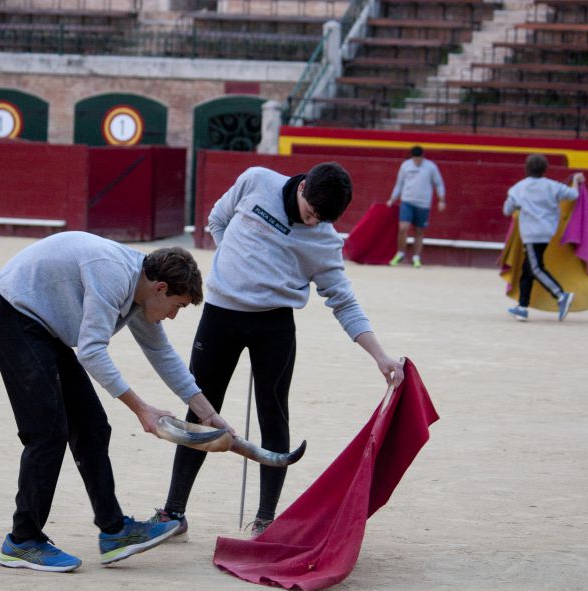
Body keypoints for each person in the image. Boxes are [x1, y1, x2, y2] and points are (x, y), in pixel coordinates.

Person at [148, 162, 405, 540]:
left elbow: (343, 301)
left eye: (324, 219)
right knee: (200, 409)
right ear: (302, 189)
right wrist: (237, 265)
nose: (315, 223)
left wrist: (380, 356)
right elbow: (217, 220)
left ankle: (266, 520)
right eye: (312, 214)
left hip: (274, 326)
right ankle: (174, 513)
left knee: (274, 415)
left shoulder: (325, 239)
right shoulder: (255, 181)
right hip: (221, 315)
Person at [0, 232, 231, 572]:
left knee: (92, 427)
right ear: (160, 288)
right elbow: (91, 350)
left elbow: (161, 353)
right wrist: (142, 409)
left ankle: (114, 532)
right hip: (14, 317)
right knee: (48, 432)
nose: (174, 316)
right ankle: (22, 541)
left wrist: (209, 414)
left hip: (43, 328)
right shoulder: (113, 274)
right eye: (178, 306)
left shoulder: (142, 293)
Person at [502, 154, 584, 322]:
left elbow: (507, 210)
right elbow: (574, 195)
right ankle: (522, 307)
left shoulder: (520, 188)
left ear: (527, 169)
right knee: (528, 269)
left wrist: (517, 205)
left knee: (536, 268)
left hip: (531, 234)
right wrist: (576, 179)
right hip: (547, 233)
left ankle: (561, 295)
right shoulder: (552, 186)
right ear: (545, 169)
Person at [386, 145, 446, 268]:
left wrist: (441, 200)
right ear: (412, 157)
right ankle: (400, 253)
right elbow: (399, 184)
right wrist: (392, 199)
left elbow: (439, 184)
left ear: (422, 157)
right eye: (415, 158)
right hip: (407, 201)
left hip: (423, 204)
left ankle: (416, 258)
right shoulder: (405, 165)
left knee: (419, 231)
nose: (417, 161)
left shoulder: (431, 167)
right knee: (403, 228)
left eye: (419, 158)